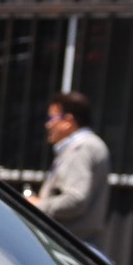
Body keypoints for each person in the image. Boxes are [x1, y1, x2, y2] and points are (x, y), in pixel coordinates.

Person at [28, 90, 110, 249]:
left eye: (52, 118)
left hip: (70, 244)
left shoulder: (81, 148)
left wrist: (38, 205)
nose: (48, 124)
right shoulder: (86, 145)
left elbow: (76, 200)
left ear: (68, 120)